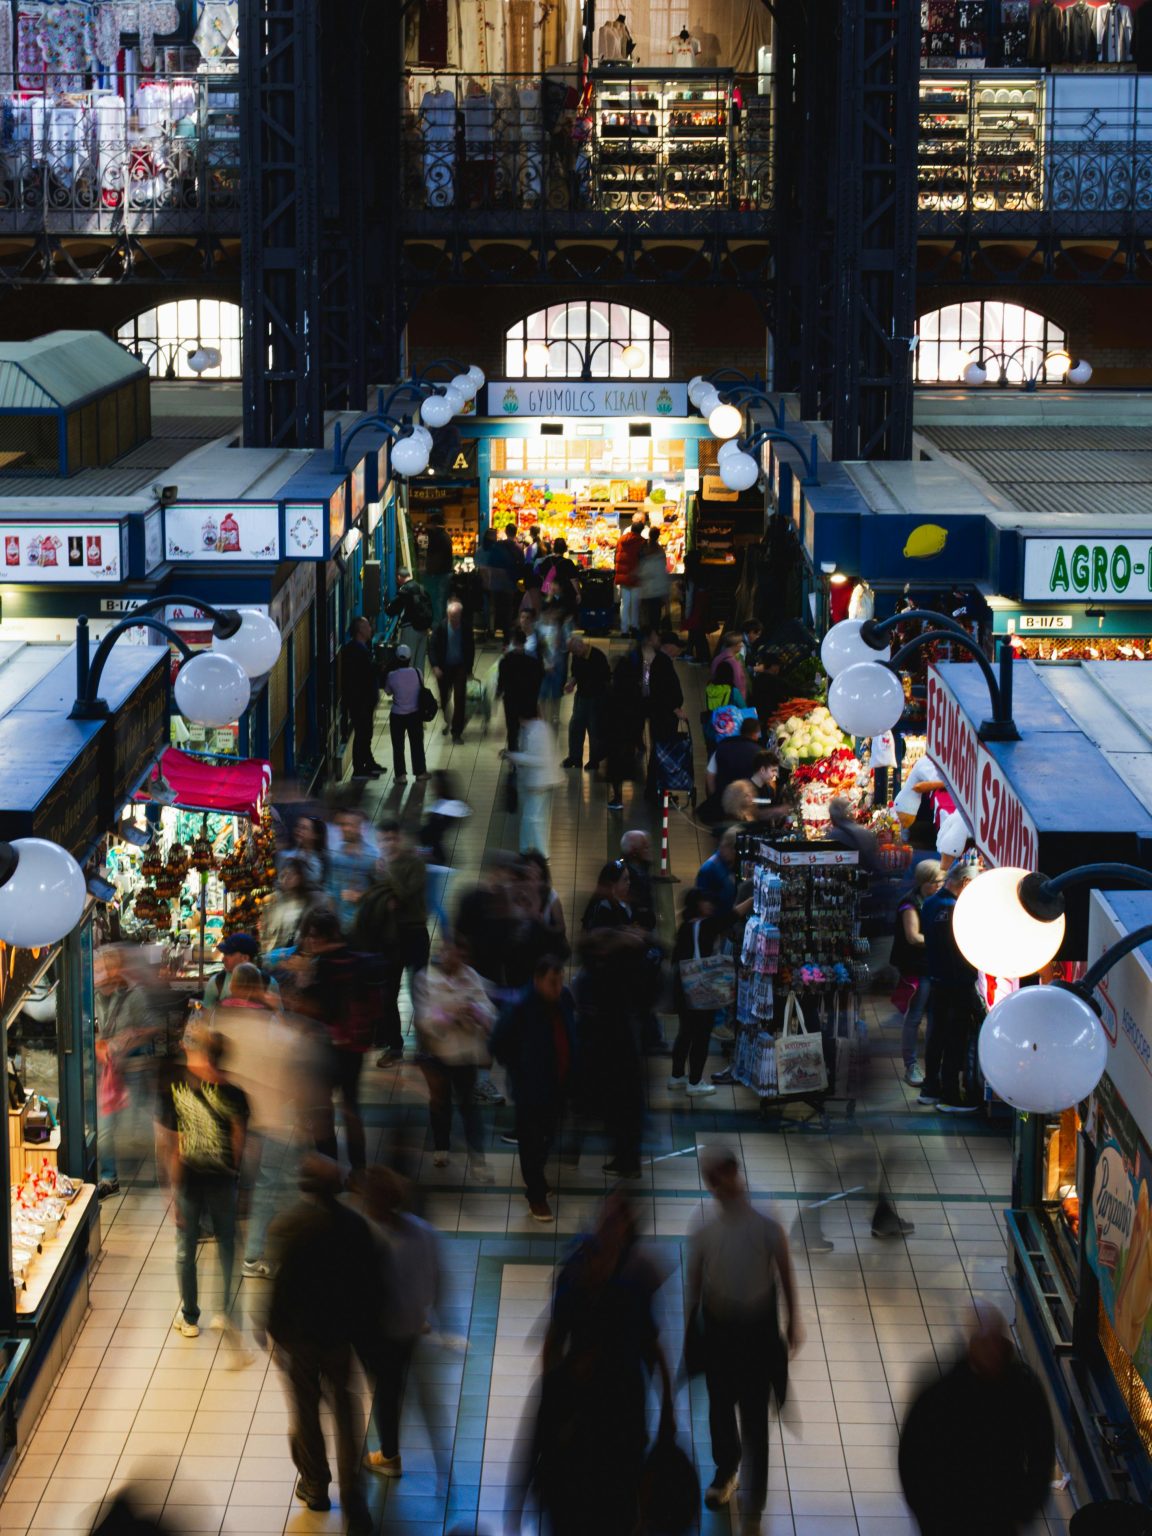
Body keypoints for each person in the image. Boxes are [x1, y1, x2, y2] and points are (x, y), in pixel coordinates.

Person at [523, 1193, 670, 1536]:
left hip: (620, 1406)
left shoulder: (630, 1287)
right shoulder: (578, 1286)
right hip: (597, 1406)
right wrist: (556, 1392)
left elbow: (651, 1345)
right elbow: (554, 1339)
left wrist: (666, 1409)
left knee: (612, 1490)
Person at [687, 1147, 801, 1528]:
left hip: (756, 1328)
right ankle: (727, 1470)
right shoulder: (704, 1221)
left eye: (716, 1178)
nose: (713, 1188)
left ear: (734, 1172)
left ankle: (755, 1495)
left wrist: (794, 1318)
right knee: (720, 1406)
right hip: (719, 1326)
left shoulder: (764, 1215)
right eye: (709, 1181)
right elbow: (696, 1274)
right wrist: (692, 1322)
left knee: (753, 1413)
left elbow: (783, 1263)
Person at [263, 1154, 376, 1532]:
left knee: (306, 1413)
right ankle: (354, 1500)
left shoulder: (289, 1226)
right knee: (346, 1413)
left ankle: (315, 1486)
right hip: (339, 1339)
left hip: (300, 1340)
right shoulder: (355, 1228)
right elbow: (367, 1287)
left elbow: (280, 1286)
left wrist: (273, 1332)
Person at [898, 1308, 1055, 1536]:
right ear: (971, 1344)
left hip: (998, 1515)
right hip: (949, 1516)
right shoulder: (941, 1393)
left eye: (996, 1341)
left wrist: (1026, 1505)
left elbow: (1041, 1450)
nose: (992, 1350)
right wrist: (927, 1513)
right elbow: (913, 1456)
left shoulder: (1023, 1389)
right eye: (985, 1342)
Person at [157, 1022, 249, 1339]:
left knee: (186, 1247)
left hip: (190, 1179)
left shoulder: (177, 1088)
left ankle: (191, 1317)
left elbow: (173, 1144)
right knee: (226, 1245)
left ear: (196, 1050)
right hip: (223, 1179)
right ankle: (224, 1312)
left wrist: (172, 1187)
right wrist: (232, 1172)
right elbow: (238, 1142)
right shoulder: (236, 1094)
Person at [358, 1166, 446, 1482]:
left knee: (385, 1390)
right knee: (399, 1386)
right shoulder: (423, 1231)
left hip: (382, 1331)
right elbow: (435, 1278)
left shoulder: (369, 1236)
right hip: (413, 1324)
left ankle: (390, 1454)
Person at [490, 955, 576, 1222]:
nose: (558, 986)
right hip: (531, 1090)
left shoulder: (563, 999)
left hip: (558, 1086)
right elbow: (498, 1044)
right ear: (538, 980)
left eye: (561, 980)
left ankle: (537, 1179)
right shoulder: (520, 1006)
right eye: (553, 981)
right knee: (531, 1141)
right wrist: (521, 1069)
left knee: (547, 1136)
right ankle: (536, 1196)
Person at [291, 909, 373, 1170]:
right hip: (355, 1045)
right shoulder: (355, 955)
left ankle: (330, 1170)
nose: (307, 942)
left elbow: (320, 1009)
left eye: (309, 936)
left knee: (322, 1111)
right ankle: (359, 1171)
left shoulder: (323, 966)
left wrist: (295, 992)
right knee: (351, 1107)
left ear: (316, 936)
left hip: (326, 1048)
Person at [412, 941, 495, 1180]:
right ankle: (441, 1146)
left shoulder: (472, 977)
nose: (453, 958)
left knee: (468, 1105)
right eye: (448, 952)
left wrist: (475, 1012)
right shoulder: (425, 978)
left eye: (460, 954)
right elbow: (424, 1018)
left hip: (464, 1055)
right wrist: (450, 1015)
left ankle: (477, 1159)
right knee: (439, 1102)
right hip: (435, 1055)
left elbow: (489, 1014)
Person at [353, 820, 430, 1065]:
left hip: (414, 933)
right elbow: (377, 899)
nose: (388, 844)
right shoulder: (377, 866)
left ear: (400, 838)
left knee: (419, 992)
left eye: (393, 838)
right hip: (389, 938)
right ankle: (394, 1045)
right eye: (384, 839)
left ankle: (425, 1047)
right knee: (388, 993)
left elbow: (405, 895)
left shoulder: (414, 864)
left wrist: (388, 876)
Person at [94, 945, 161, 1198]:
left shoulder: (134, 995)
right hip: (109, 1072)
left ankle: (150, 1166)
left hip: (133, 1068)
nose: (97, 975)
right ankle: (109, 1177)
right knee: (106, 1128)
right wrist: (99, 1044)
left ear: (113, 971)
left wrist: (130, 1036)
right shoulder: (95, 996)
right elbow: (88, 1030)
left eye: (101, 969)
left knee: (135, 1121)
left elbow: (151, 1027)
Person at [918, 862, 982, 1112]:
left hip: (937, 980)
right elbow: (959, 951)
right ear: (966, 883)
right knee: (955, 1038)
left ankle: (930, 1087)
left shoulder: (931, 902)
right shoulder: (952, 909)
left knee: (936, 1036)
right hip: (956, 984)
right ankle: (950, 1095)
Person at [668, 889, 736, 1096]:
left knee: (685, 1033)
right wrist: (751, 899)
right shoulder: (706, 925)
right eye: (706, 901)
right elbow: (732, 916)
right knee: (701, 1036)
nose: (711, 906)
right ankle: (695, 1082)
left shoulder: (684, 928)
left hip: (683, 988)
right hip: (702, 989)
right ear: (698, 904)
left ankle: (677, 1076)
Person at [615, 624, 686, 802]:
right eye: (655, 636)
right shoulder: (657, 660)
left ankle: (622, 794)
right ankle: (655, 790)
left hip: (640, 710)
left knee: (640, 749)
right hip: (655, 711)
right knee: (659, 749)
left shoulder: (639, 657)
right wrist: (673, 706)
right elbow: (654, 688)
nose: (658, 639)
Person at [891, 860, 944, 1089]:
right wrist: (940, 942)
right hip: (917, 968)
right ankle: (911, 1065)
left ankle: (933, 1066)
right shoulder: (910, 904)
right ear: (926, 883)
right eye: (937, 882)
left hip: (932, 966)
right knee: (915, 1017)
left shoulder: (933, 901)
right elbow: (913, 937)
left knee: (934, 1018)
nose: (941, 885)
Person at [507, 701, 562, 857]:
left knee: (532, 818)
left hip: (540, 782)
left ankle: (535, 853)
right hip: (543, 781)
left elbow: (538, 759)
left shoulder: (535, 731)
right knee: (537, 818)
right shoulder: (540, 728)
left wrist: (514, 757)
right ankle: (535, 851)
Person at [339, 617, 383, 779]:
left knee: (367, 732)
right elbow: (363, 675)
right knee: (362, 732)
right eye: (367, 627)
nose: (370, 629)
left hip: (365, 700)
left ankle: (368, 762)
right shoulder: (355, 651)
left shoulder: (363, 648)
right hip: (360, 701)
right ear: (360, 631)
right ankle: (359, 768)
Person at [325, 808, 380, 932]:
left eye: (349, 825)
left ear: (360, 828)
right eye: (342, 825)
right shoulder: (335, 854)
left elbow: (381, 890)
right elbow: (329, 887)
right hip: (337, 922)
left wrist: (362, 896)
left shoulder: (372, 856)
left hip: (363, 923)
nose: (344, 829)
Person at [429, 598, 475, 745]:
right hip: (444, 667)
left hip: (460, 666)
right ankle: (448, 720)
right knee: (444, 698)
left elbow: (470, 648)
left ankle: (456, 732)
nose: (454, 621)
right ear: (448, 616)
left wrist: (469, 669)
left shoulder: (466, 628)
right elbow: (432, 648)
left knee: (460, 698)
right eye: (452, 618)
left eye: (457, 617)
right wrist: (435, 666)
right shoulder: (440, 628)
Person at [563, 634, 609, 770]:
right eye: (572, 652)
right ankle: (575, 757)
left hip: (596, 698)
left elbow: (605, 678)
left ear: (581, 645)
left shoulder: (597, 656)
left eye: (575, 651)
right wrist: (571, 683)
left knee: (594, 730)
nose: (574, 654)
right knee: (575, 727)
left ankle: (594, 760)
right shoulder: (577, 656)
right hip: (581, 697)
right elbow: (575, 674)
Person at [384, 643, 428, 781]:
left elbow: (387, 691)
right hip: (414, 714)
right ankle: (420, 773)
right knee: (417, 744)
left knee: (398, 746)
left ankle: (401, 775)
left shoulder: (392, 675)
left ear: (396, 658)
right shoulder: (417, 672)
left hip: (397, 715)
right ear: (410, 659)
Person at [497, 628, 544, 754]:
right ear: (525, 641)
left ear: (513, 641)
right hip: (529, 701)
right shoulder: (533, 662)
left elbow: (501, 682)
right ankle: (527, 753)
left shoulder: (505, 661)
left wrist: (498, 694)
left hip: (511, 701)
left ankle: (513, 757)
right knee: (528, 729)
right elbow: (539, 679)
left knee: (512, 730)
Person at [261, 858, 318, 954]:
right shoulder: (273, 900)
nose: (285, 879)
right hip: (274, 955)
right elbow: (266, 932)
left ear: (300, 877)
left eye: (290, 875)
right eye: (283, 875)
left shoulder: (310, 901)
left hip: (296, 954)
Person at [385, 568, 434, 674]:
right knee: (419, 665)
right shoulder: (421, 588)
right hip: (423, 630)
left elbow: (391, 610)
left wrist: (387, 605)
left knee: (407, 661)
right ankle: (419, 687)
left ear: (399, 577)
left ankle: (408, 688)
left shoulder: (405, 589)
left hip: (410, 628)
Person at [705, 717, 763, 800]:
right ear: (755, 734)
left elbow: (710, 775)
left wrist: (714, 798)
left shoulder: (722, 747)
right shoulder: (759, 752)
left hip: (723, 800)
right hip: (746, 802)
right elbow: (766, 778)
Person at [695, 827, 746, 917]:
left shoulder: (731, 864)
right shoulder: (709, 869)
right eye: (735, 850)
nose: (736, 854)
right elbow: (704, 909)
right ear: (725, 846)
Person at [421, 508, 454, 624]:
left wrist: (429, 571)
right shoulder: (444, 536)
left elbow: (436, 558)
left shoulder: (437, 537)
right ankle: (441, 625)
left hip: (439, 574)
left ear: (434, 525)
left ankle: (438, 626)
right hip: (444, 573)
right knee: (441, 600)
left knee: (438, 601)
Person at [636, 526, 671, 632]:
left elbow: (641, 570)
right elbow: (663, 569)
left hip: (646, 591)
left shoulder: (643, 548)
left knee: (646, 617)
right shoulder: (660, 551)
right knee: (655, 617)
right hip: (656, 591)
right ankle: (653, 635)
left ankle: (647, 637)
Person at [619, 830, 656, 929]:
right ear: (634, 850)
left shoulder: (642, 871)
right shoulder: (622, 873)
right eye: (645, 847)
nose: (649, 850)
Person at [614, 516, 645, 634]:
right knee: (635, 604)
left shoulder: (621, 540)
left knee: (624, 604)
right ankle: (635, 627)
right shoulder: (642, 542)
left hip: (623, 577)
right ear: (641, 531)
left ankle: (624, 629)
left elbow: (616, 557)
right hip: (635, 577)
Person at [536, 535, 581, 616]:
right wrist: (578, 593)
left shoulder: (547, 560)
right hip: (564, 594)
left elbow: (540, 574)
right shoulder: (568, 563)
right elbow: (574, 579)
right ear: (565, 549)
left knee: (550, 613)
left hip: (549, 593)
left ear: (554, 548)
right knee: (564, 614)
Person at [710, 632, 749, 698]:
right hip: (731, 700)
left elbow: (713, 675)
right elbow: (739, 685)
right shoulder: (735, 663)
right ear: (735, 645)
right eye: (740, 642)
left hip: (719, 696)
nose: (742, 645)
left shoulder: (717, 658)